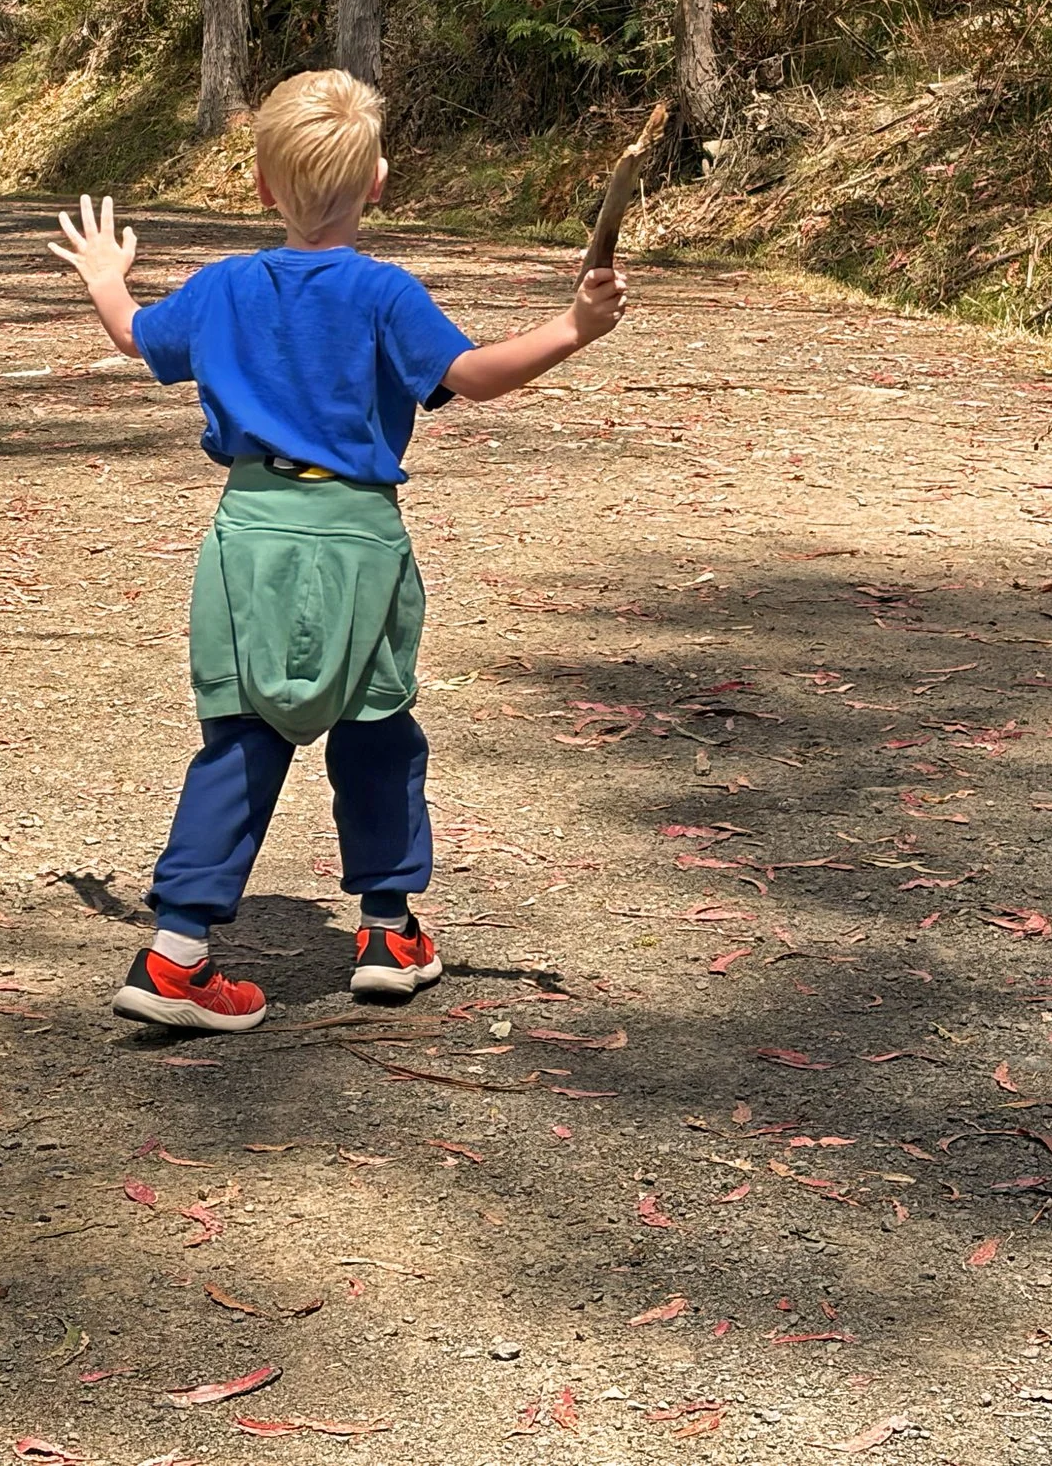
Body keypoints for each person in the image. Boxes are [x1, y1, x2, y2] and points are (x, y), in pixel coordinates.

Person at [47, 69, 628, 1031]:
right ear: (381, 182)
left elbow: (138, 338)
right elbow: (472, 378)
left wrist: (108, 278)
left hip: (251, 533)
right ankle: (388, 930)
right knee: (377, 723)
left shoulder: (225, 286)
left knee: (242, 731)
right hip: (358, 535)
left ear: (265, 188)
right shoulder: (383, 295)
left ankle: (175, 952)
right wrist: (573, 327)